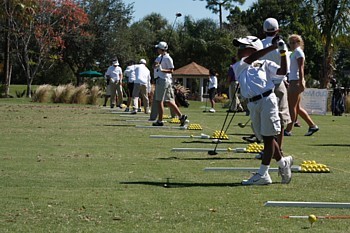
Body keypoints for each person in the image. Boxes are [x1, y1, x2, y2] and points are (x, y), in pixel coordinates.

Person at [232, 35, 293, 185]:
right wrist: (274, 47)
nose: (239, 50)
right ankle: (283, 163)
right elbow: (252, 58)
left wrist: (283, 52)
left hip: (267, 100)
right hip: (252, 104)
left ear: (254, 48)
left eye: (242, 47)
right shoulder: (238, 65)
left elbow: (282, 71)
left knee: (268, 138)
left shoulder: (266, 63)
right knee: (267, 138)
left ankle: (263, 174)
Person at [259, 17, 292, 154]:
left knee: (266, 118)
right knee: (280, 118)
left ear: (264, 30)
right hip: (278, 83)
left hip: (263, 85)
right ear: (277, 30)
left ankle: (268, 149)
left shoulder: (259, 44)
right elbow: (286, 68)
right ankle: (279, 148)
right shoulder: (282, 44)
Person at [284, 34, 319, 136]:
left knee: (292, 106)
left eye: (294, 42)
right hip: (293, 80)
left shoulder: (299, 52)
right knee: (297, 107)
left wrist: (301, 81)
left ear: (299, 43)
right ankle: (312, 126)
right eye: (290, 42)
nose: (292, 44)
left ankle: (288, 129)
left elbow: (301, 68)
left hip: (296, 80)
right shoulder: (294, 53)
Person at [152, 41, 188, 127]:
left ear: (162, 49)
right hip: (161, 80)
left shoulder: (168, 58)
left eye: (158, 49)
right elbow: (153, 66)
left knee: (159, 101)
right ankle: (181, 116)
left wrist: (162, 70)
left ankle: (160, 121)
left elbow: (171, 70)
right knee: (168, 101)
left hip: (163, 80)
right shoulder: (159, 57)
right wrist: (156, 65)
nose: (157, 50)